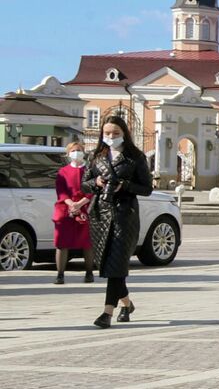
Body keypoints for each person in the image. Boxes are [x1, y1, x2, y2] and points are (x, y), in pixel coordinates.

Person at [85, 115, 152, 328]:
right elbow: (83, 184)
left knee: (117, 262)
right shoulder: (96, 156)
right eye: (107, 133)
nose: (111, 137)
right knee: (108, 264)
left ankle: (107, 313)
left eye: (115, 133)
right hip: (100, 214)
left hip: (125, 215)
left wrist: (125, 185)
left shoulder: (135, 157)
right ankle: (127, 304)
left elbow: (147, 188)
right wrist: (95, 182)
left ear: (124, 134)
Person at [53, 141, 94, 286]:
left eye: (79, 150)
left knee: (87, 242)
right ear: (68, 153)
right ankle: (60, 274)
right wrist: (71, 204)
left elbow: (92, 190)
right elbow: (61, 192)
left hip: (85, 208)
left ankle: (89, 272)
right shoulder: (63, 171)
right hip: (65, 209)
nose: (76, 153)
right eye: (73, 150)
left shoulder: (89, 170)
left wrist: (80, 204)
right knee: (61, 242)